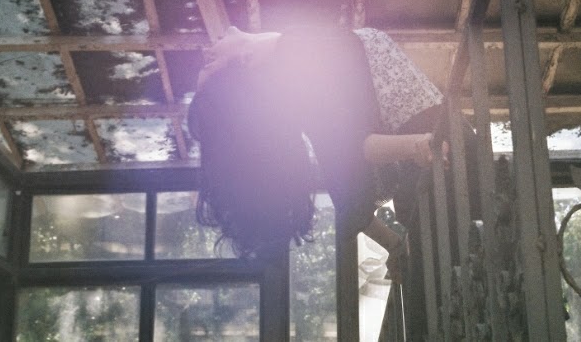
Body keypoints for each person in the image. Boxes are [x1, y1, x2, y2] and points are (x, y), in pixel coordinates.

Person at [188, 25, 448, 281]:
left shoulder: (296, 58)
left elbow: (349, 191)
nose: (206, 50)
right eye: (209, 62)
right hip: (443, 164)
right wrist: (419, 145)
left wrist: (392, 243)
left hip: (438, 161)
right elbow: (352, 151)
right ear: (244, 63)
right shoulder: (297, 66)